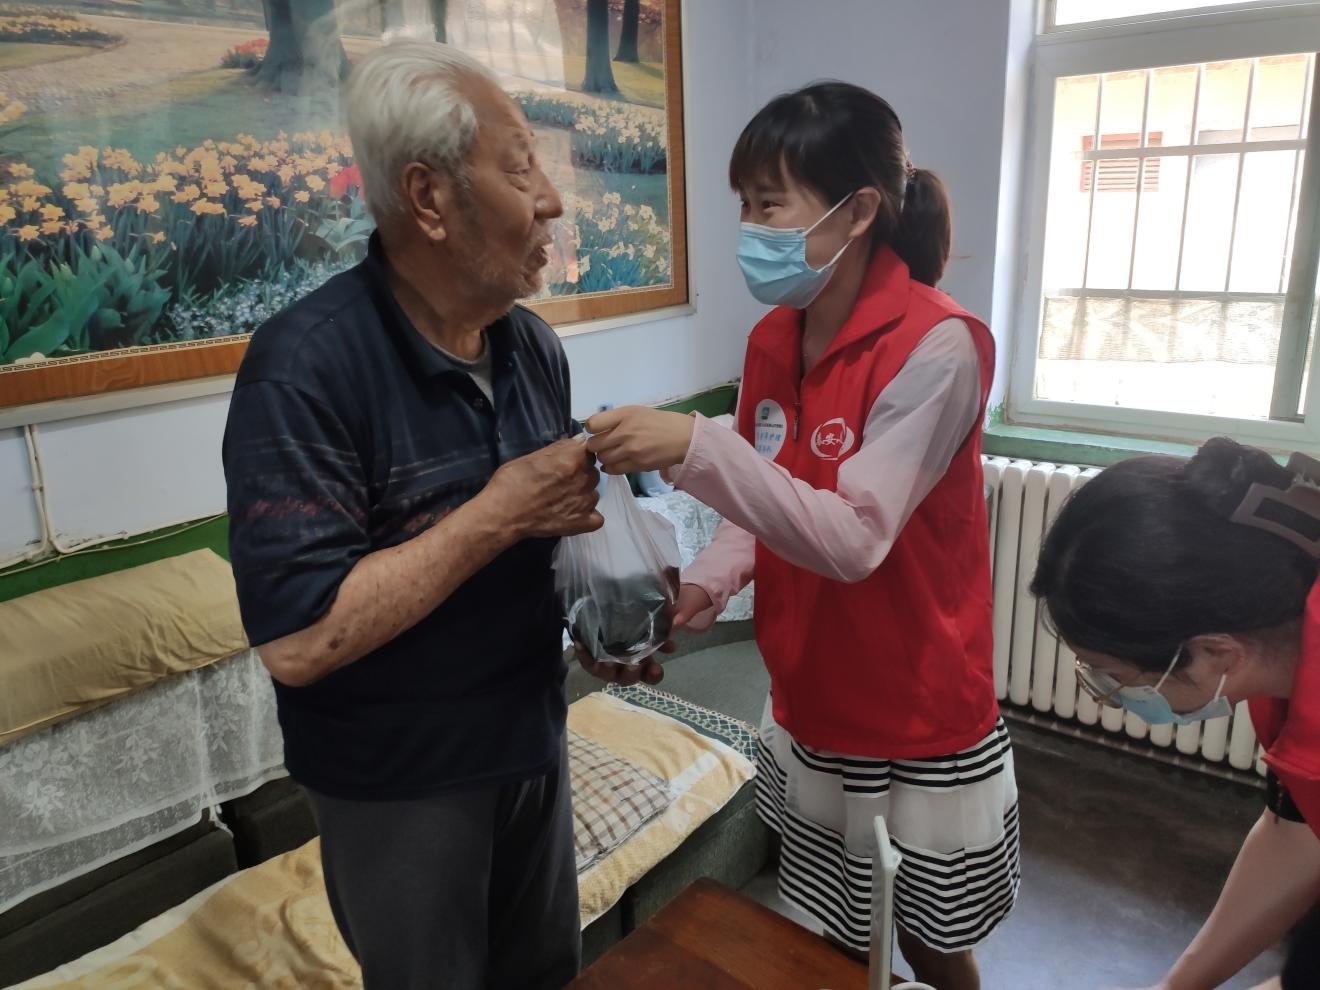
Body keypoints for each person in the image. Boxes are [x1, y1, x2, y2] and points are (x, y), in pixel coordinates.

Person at [221, 41, 646, 990]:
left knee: (545, 971)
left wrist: (601, 620)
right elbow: (299, 640)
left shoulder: (530, 346)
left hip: (530, 735)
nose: (553, 200)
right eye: (521, 168)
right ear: (427, 198)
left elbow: (542, 539)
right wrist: (496, 514)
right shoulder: (305, 369)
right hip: (400, 781)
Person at [580, 82, 1018, 990]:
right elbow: (767, 503)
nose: (750, 227)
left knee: (928, 938)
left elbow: (853, 538)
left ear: (858, 211)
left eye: (770, 204)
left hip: (911, 705)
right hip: (810, 688)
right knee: (838, 928)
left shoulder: (939, 346)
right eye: (743, 203)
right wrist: (704, 583)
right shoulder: (773, 339)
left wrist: (695, 446)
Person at [1031, 437, 1320, 990]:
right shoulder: (1283, 646)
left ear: (1217, 653)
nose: (1110, 694)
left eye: (1111, 675)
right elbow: (1298, 831)